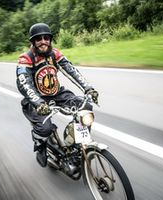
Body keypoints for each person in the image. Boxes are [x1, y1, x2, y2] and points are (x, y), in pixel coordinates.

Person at [16, 23, 99, 167]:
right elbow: (24, 83)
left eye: (46, 38)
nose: (43, 41)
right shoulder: (26, 58)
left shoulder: (55, 54)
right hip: (36, 100)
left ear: (50, 39)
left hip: (57, 93)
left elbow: (71, 70)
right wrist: (38, 103)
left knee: (86, 106)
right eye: (38, 39)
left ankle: (78, 144)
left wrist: (88, 88)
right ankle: (40, 147)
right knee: (45, 129)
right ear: (33, 42)